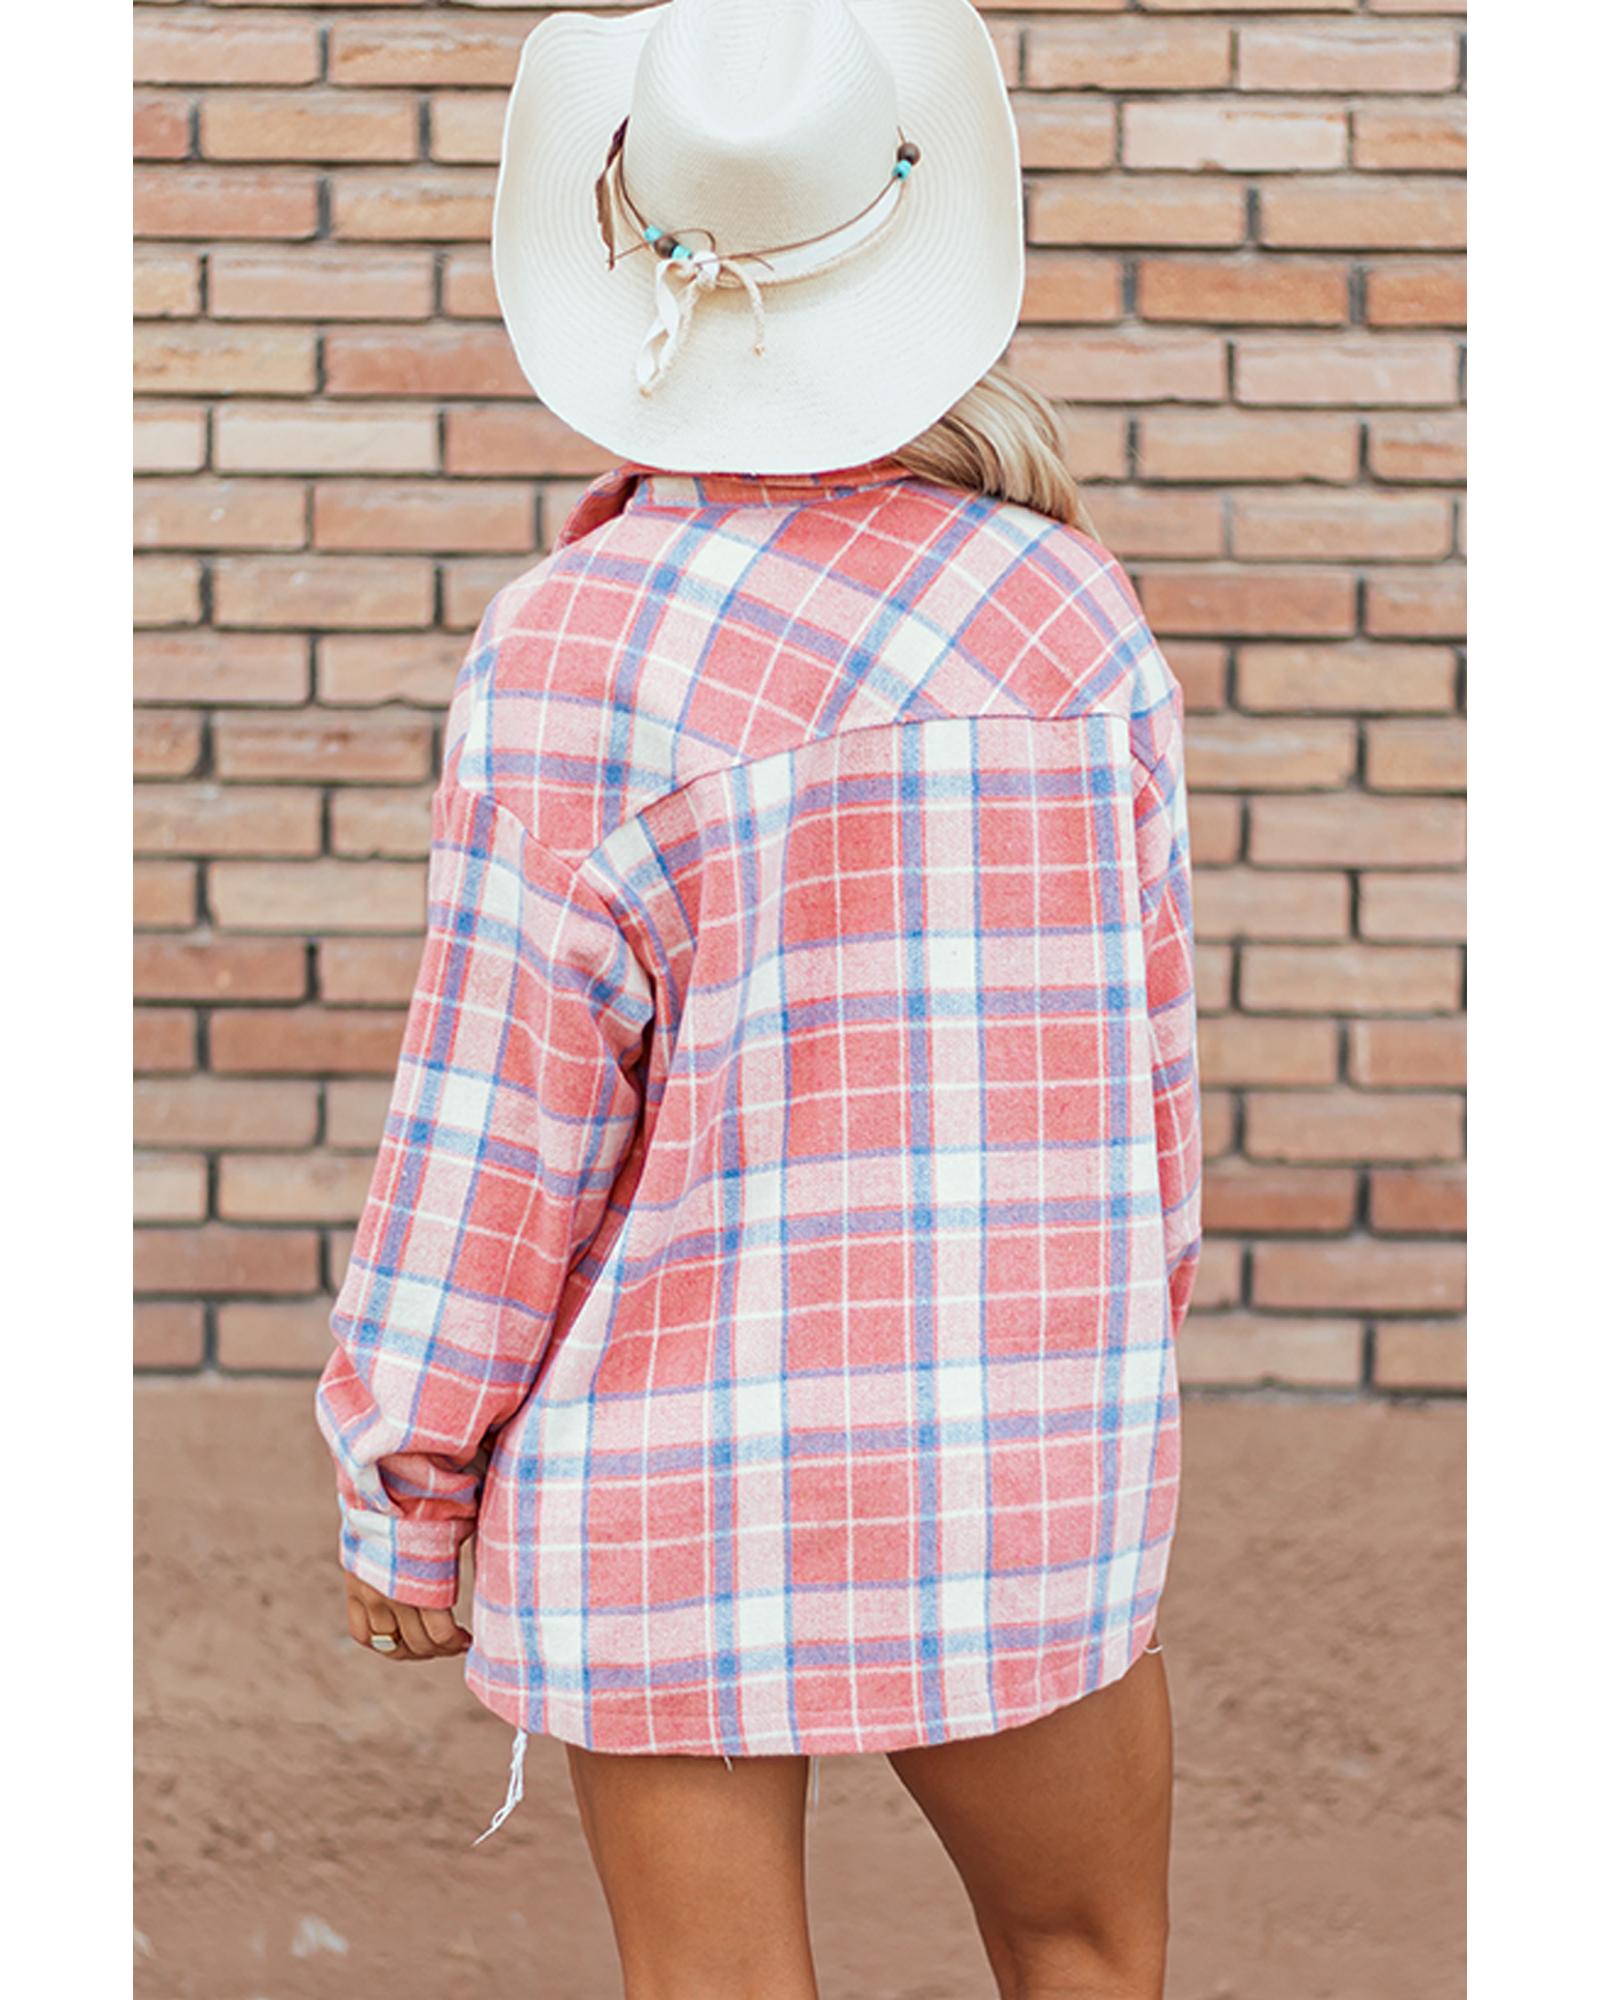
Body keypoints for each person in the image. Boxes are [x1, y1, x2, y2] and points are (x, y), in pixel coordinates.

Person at [314, 2, 1203, 1994]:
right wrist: (1106, 1362)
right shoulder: (1069, 610)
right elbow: (1153, 1086)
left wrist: (406, 1485)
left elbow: (494, 1131)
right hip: (1016, 1440)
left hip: (674, 1463)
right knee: (1085, 1952)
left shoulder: (568, 649)